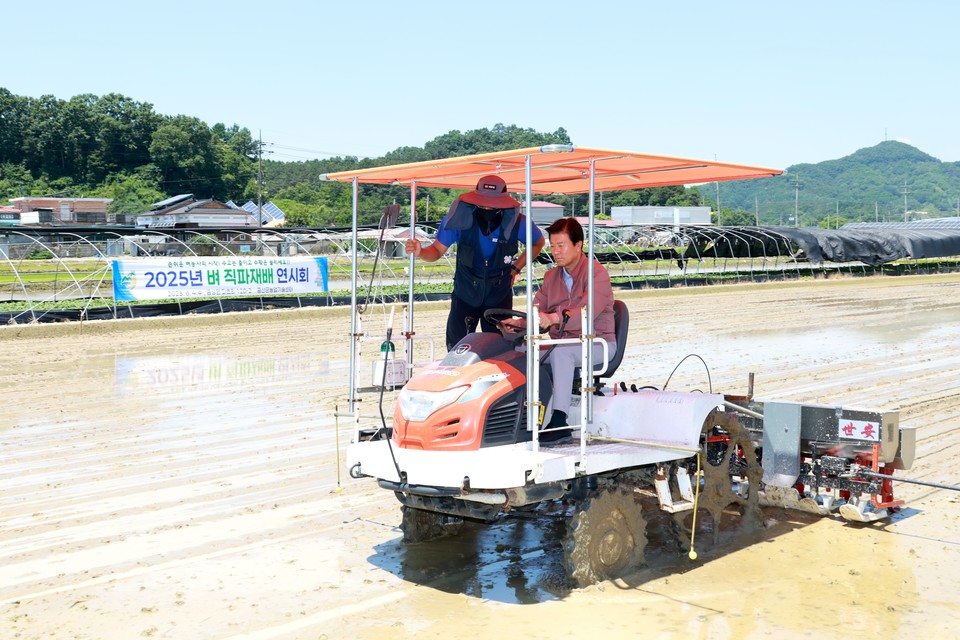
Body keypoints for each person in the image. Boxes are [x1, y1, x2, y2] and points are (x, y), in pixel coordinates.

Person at [405, 175, 545, 350]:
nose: (487, 207)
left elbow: (538, 243)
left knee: (499, 349)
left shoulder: (519, 222)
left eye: (493, 203)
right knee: (457, 348)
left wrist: (516, 268)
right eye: (483, 202)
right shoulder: (458, 219)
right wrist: (421, 251)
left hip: (499, 294)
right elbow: (436, 251)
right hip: (465, 294)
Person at [531, 217, 617, 443]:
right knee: (522, 351)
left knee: (562, 352)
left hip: (598, 343)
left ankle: (560, 420)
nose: (555, 252)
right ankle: (526, 415)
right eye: (552, 246)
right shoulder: (551, 277)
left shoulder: (597, 274)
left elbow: (585, 314)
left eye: (561, 246)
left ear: (578, 245)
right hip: (563, 344)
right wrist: (518, 321)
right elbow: (537, 306)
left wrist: (554, 318)